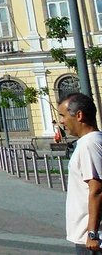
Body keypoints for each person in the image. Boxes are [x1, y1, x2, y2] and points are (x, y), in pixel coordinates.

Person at [59, 92, 102, 253]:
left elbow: (97, 189)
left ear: (79, 115)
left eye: (63, 115)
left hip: (91, 238)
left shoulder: (89, 144)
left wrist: (92, 233)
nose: (61, 121)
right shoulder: (93, 141)